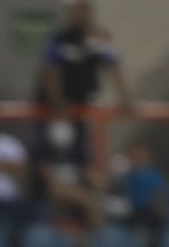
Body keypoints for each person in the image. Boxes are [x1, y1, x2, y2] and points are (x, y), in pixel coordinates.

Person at [37, 0, 131, 169]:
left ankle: (83, 177)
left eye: (84, 8)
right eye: (77, 9)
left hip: (82, 105)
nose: (81, 13)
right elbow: (51, 71)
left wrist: (125, 98)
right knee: (56, 146)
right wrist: (57, 101)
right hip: (58, 109)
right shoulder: (60, 39)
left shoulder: (101, 39)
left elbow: (114, 67)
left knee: (82, 151)